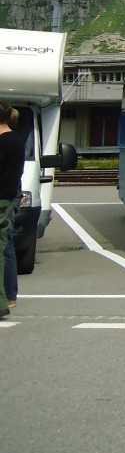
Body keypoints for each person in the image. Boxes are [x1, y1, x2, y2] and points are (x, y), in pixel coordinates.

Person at [0, 102, 23, 319]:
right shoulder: (17, 140)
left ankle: (6, 297)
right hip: (11, 196)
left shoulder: (5, 142)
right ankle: (9, 295)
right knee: (6, 248)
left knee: (3, 249)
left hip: (4, 198)